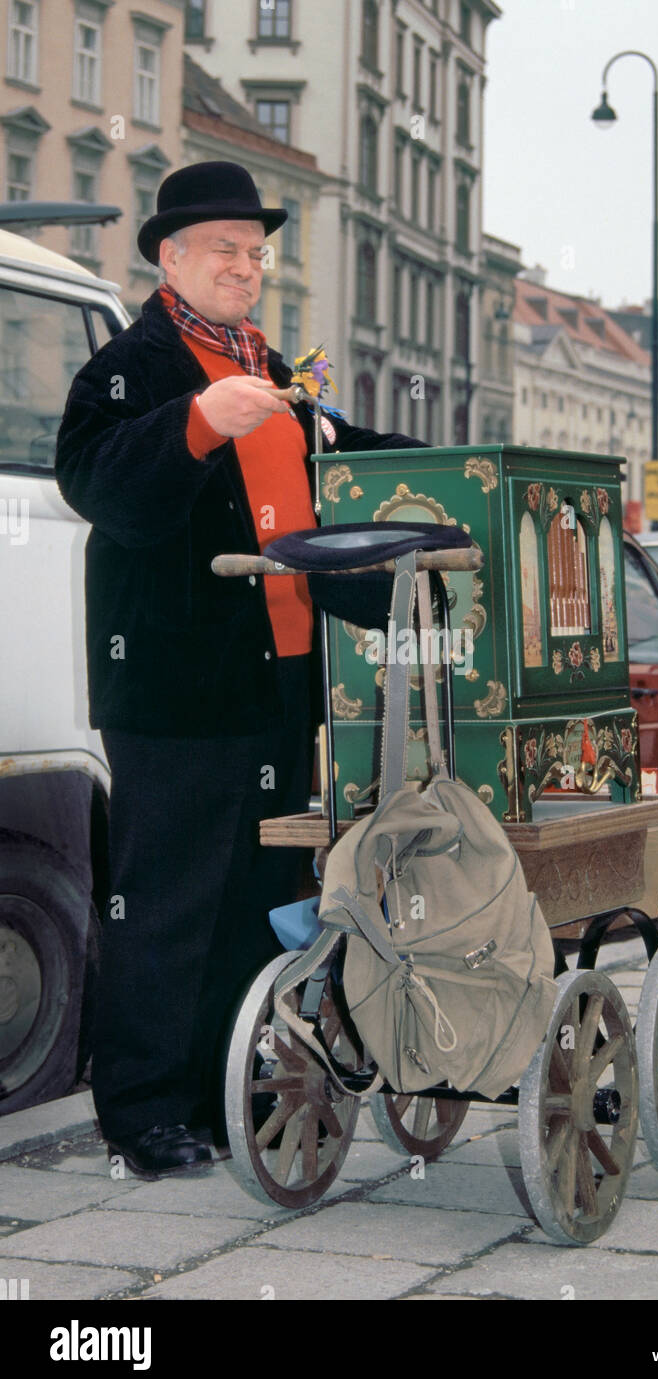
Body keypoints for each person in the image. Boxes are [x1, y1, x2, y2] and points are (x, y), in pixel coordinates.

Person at [55, 160, 424, 1180]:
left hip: (279, 687)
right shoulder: (131, 369)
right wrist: (199, 422)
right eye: (225, 248)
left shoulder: (271, 371)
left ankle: (225, 1093)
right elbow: (95, 480)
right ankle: (141, 1113)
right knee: (166, 901)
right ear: (170, 259)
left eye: (256, 252)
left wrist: (464, 467)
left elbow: (345, 467)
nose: (247, 267)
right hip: (178, 690)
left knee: (257, 900)